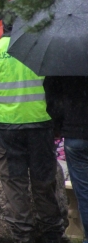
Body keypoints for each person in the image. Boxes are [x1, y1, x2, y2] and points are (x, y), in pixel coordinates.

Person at [0, 19, 65, 243]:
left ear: (1, 27)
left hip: (7, 129)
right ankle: (52, 234)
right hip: (40, 126)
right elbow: (55, 92)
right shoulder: (42, 49)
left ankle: (22, 235)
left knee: (15, 185)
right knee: (44, 183)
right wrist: (57, 126)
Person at [45, 76, 88, 243]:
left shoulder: (64, 61)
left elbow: (52, 97)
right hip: (74, 132)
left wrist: (57, 126)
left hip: (75, 133)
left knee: (84, 193)